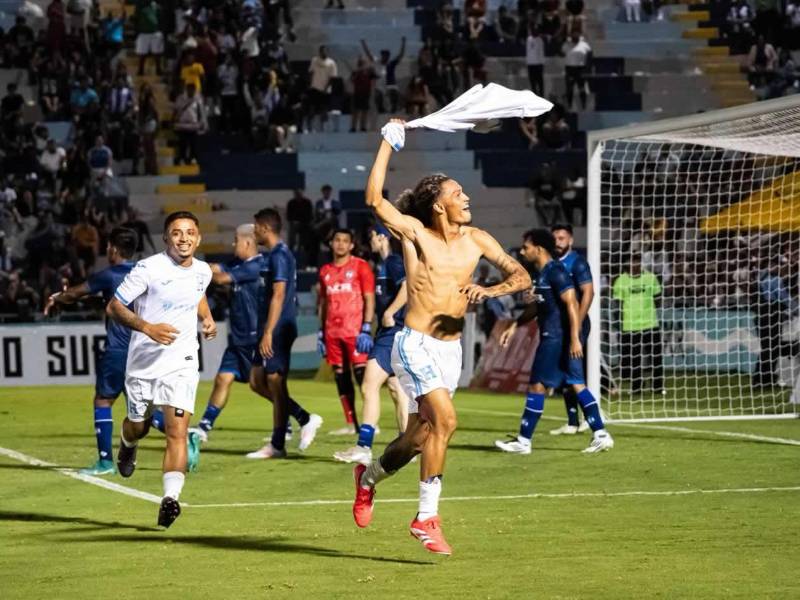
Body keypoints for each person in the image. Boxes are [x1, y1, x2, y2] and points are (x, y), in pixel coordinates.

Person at [352, 120, 531, 555]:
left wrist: (490, 290)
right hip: (413, 343)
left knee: (418, 438)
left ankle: (369, 477)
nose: (466, 197)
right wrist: (387, 143)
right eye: (457, 193)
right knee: (447, 422)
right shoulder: (417, 234)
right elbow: (374, 199)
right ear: (437, 205)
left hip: (450, 352)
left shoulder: (477, 239)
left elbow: (521, 275)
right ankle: (426, 518)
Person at [107, 211, 216, 528]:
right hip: (143, 363)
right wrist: (147, 327)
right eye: (177, 233)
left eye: (190, 232)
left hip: (182, 362)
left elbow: (197, 294)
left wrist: (206, 318)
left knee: (177, 431)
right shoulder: (148, 269)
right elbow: (114, 306)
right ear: (167, 238)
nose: (184, 238)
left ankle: (171, 499)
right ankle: (128, 445)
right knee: (137, 426)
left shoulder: (202, 271)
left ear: (198, 238)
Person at [191, 224, 322, 452]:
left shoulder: (257, 266)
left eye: (236, 240)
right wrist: (193, 263)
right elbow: (214, 268)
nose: (233, 245)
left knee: (261, 385)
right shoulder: (239, 264)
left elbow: (220, 278)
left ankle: (300, 418)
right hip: (239, 337)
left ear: (248, 243)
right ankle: (204, 426)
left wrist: (192, 269)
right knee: (224, 379)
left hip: (255, 338)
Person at [495, 229, 613, 455]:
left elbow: (572, 302)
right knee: (576, 382)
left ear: (538, 248)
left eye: (525, 247)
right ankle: (600, 434)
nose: (522, 251)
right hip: (559, 336)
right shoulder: (542, 274)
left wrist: (575, 338)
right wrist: (514, 325)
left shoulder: (555, 272)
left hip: (556, 338)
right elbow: (536, 307)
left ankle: (523, 440)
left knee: (537, 384)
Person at [44, 228, 139, 475]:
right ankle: (185, 433)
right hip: (143, 350)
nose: (106, 250)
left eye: (108, 246)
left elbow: (77, 292)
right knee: (139, 407)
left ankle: (106, 461)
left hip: (118, 349)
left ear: (115, 250)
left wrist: (58, 297)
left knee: (103, 400)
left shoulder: (109, 275)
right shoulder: (143, 273)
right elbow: (107, 301)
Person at [247, 209, 324, 457]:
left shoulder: (280, 255)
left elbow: (279, 294)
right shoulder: (273, 255)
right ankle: (303, 417)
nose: (254, 230)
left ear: (265, 228)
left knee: (274, 381)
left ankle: (277, 443)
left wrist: (269, 331)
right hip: (269, 327)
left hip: (278, 328)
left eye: (256, 226)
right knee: (256, 381)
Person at [333, 223, 410, 465]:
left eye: (373, 236)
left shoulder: (394, 262)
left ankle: (364, 447)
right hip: (391, 333)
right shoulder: (384, 264)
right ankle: (408, 445)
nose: (371, 241)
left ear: (382, 237)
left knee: (368, 385)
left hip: (392, 333)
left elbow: (408, 287)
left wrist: (390, 312)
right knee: (397, 390)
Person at [318, 228, 375, 435]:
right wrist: (320, 331)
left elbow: (369, 298)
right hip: (333, 333)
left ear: (351, 245)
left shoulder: (361, 267)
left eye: (345, 241)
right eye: (337, 240)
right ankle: (352, 424)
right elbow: (323, 303)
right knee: (341, 378)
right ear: (331, 243)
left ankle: (371, 420)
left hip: (355, 331)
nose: (340, 244)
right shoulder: (324, 270)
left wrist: (367, 327)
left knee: (362, 377)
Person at [547, 223, 593, 435]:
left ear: (571, 240)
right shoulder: (551, 264)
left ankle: (592, 420)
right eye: (555, 238)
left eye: (562, 238)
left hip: (577, 324)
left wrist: (577, 325)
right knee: (566, 373)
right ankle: (573, 421)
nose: (558, 241)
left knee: (574, 373)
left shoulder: (578, 263)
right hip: (560, 325)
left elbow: (588, 293)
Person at [612, 253, 665, 395]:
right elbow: (618, 303)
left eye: (636, 262)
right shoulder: (620, 281)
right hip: (630, 324)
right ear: (627, 264)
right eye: (631, 262)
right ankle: (637, 386)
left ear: (640, 263)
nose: (634, 265)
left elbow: (658, 297)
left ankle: (658, 386)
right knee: (633, 358)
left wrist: (650, 309)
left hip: (650, 322)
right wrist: (619, 321)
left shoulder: (650, 278)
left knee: (656, 355)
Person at [361, 37, 405, 115]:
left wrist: (403, 43)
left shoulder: (391, 64)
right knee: (377, 94)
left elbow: (400, 55)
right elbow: (369, 54)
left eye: (387, 56)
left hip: (390, 84)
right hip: (380, 85)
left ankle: (393, 108)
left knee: (393, 91)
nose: (385, 57)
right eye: (384, 55)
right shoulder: (377, 62)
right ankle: (381, 109)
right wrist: (364, 44)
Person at [562, 32, 591, 111]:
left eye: (576, 34)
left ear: (579, 36)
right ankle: (569, 106)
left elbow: (590, 55)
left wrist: (587, 68)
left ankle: (584, 106)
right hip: (570, 69)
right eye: (573, 34)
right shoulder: (566, 44)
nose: (575, 36)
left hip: (580, 69)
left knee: (582, 88)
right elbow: (562, 52)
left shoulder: (584, 45)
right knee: (569, 89)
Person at [134, 0, 163, 76]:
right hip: (143, 32)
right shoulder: (139, 5)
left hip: (155, 32)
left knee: (157, 53)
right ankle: (140, 70)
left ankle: (158, 69)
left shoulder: (156, 6)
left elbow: (161, 17)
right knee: (142, 53)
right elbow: (136, 17)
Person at [526, 26, 545, 97]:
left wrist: (542, 64)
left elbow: (541, 53)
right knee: (532, 83)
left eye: (536, 31)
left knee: (540, 83)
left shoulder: (540, 40)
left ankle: (542, 97)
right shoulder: (528, 39)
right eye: (533, 31)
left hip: (538, 64)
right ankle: (535, 97)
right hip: (530, 64)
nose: (535, 32)